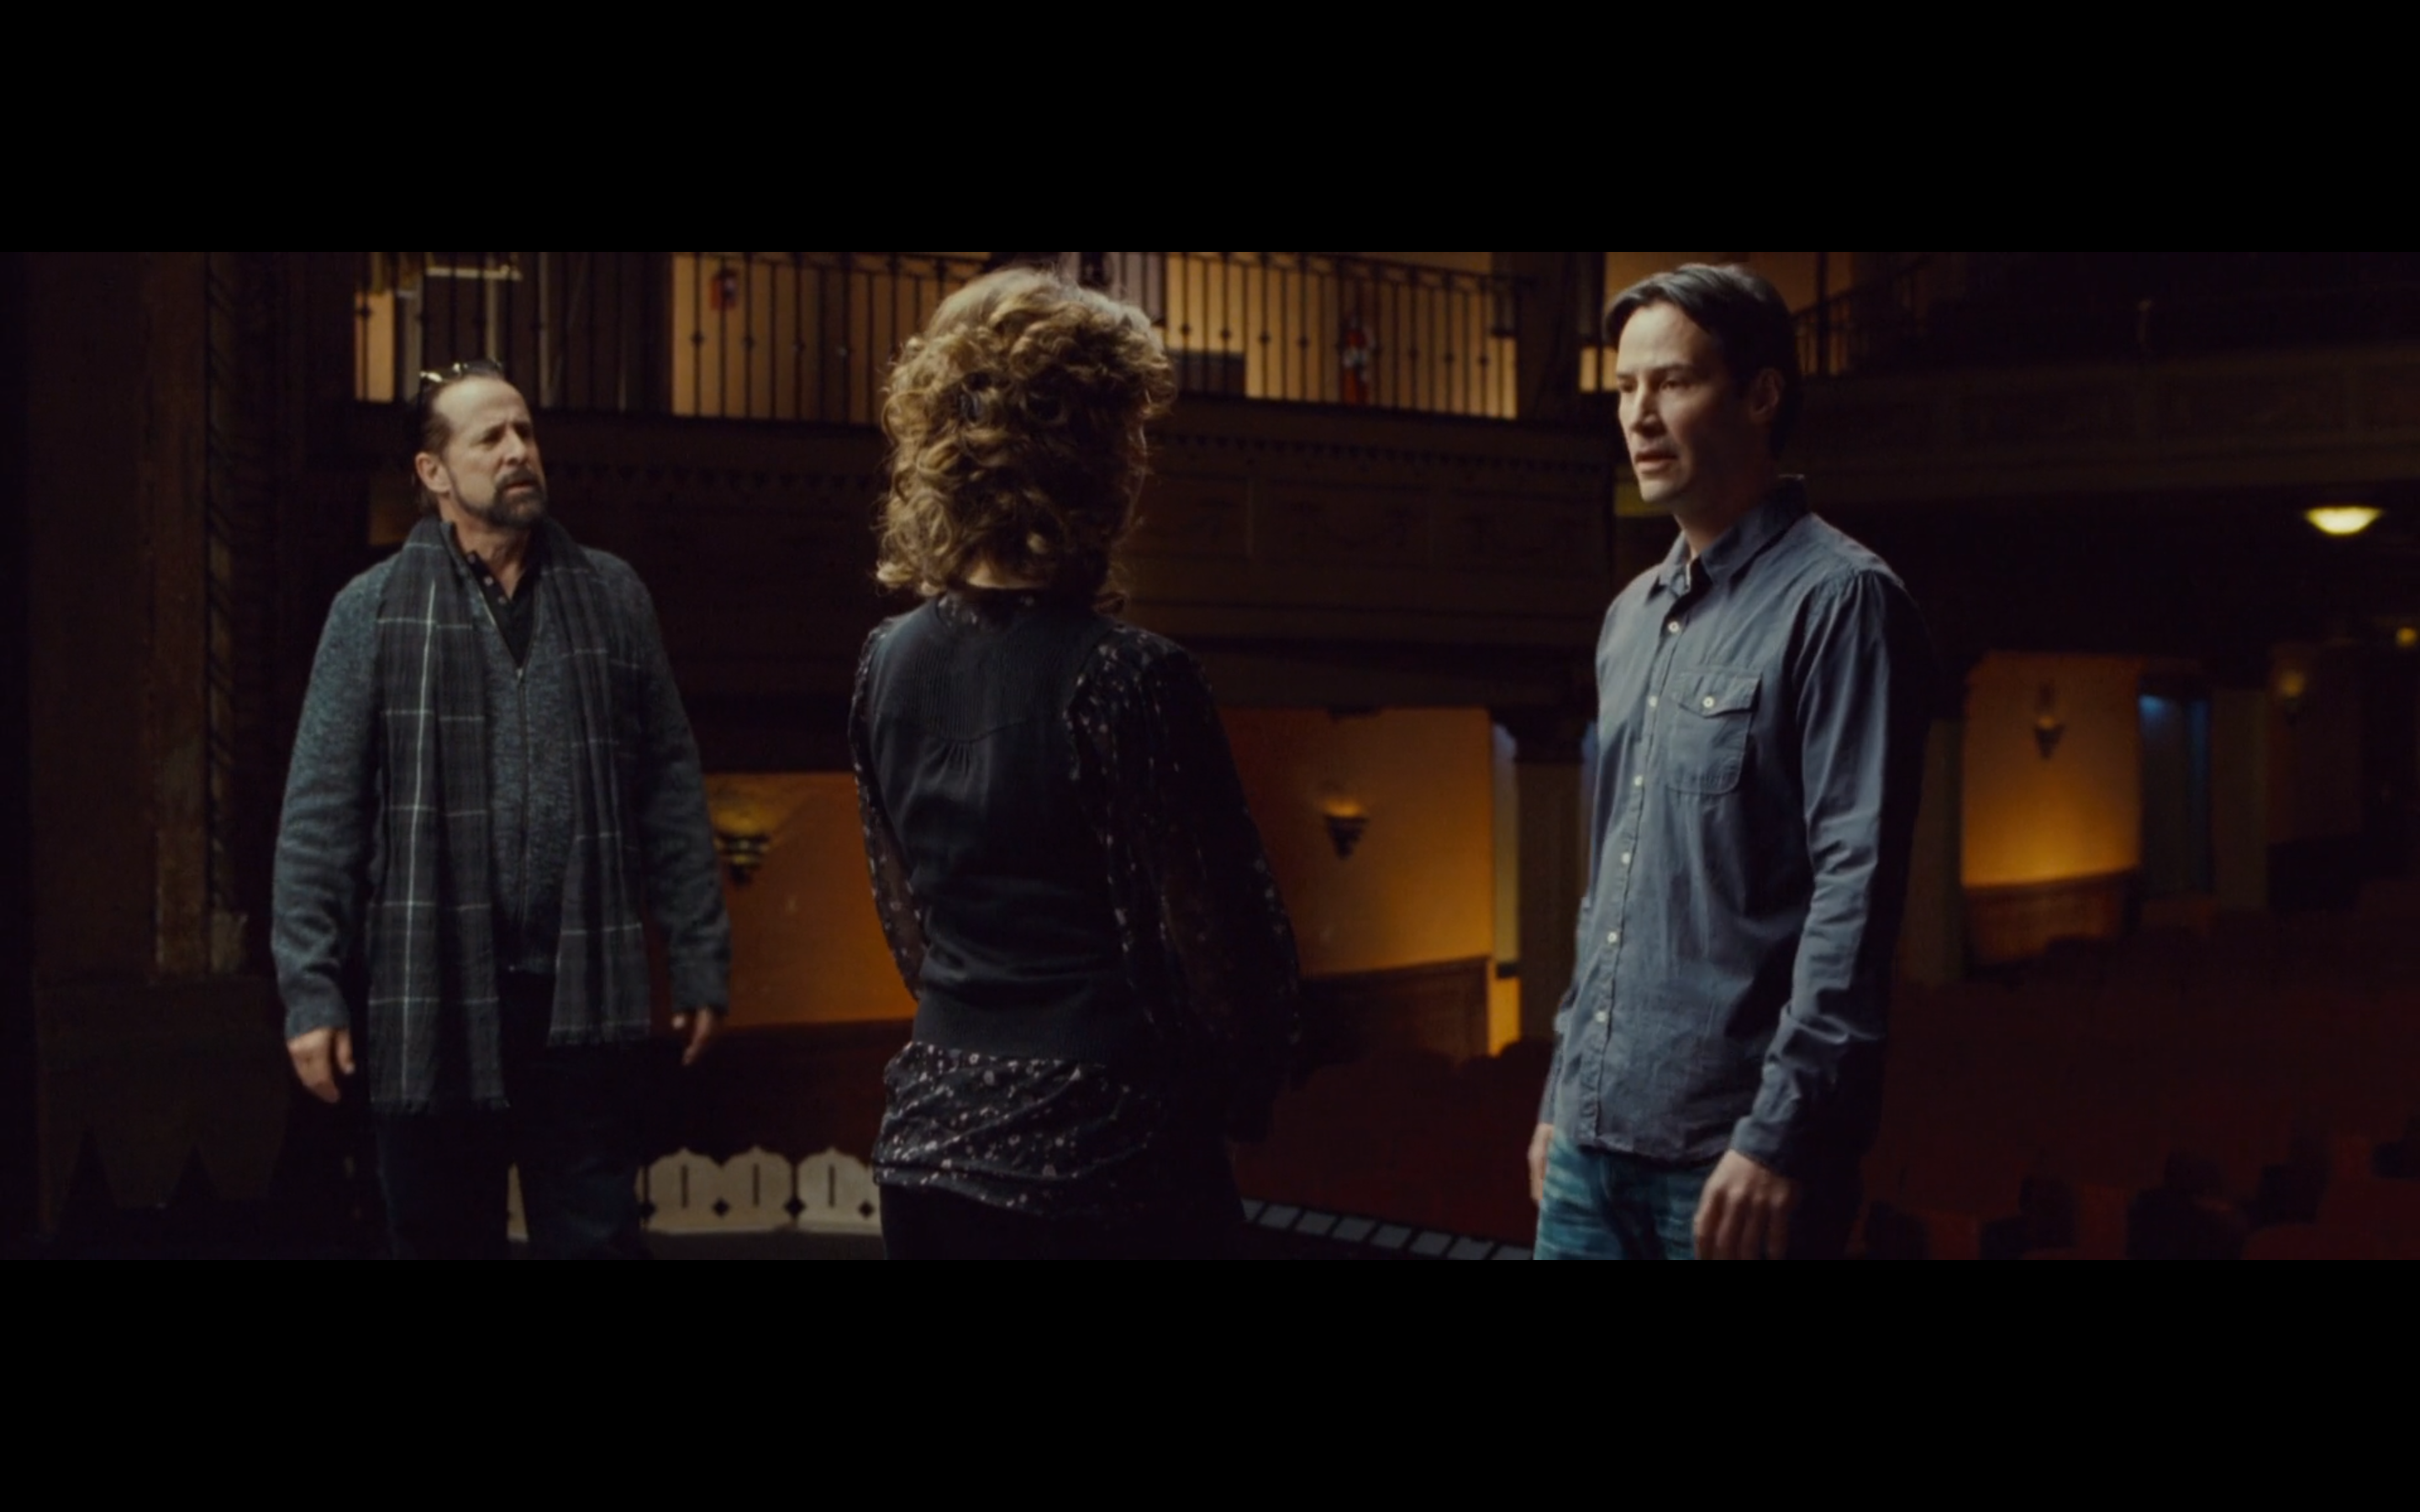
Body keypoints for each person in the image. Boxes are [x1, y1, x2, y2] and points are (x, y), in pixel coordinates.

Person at [851, 266, 1300, 1261]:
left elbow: (910, 924)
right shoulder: (1131, 679)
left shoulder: (885, 662)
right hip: (1104, 1153)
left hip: (927, 1150)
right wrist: (1242, 1090)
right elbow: (1221, 952)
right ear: (1091, 455)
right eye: (1129, 431)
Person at [272, 359, 730, 1260]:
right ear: (433, 471)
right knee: (441, 1236)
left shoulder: (612, 596)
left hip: (581, 989)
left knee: (597, 1238)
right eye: (490, 438)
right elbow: (321, 813)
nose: (518, 450)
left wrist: (699, 954)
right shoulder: (370, 612)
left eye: (525, 431)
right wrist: (310, 989)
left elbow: (669, 787)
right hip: (431, 989)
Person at [1527, 265, 1934, 1261]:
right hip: (1588, 1141)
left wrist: (1782, 1136)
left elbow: (1855, 898)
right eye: (1625, 388)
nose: (1639, 416)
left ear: (1760, 395)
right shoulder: (1629, 616)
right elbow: (1611, 884)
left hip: (1734, 1158)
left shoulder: (1842, 601)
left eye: (1672, 382)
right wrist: (1560, 1096)